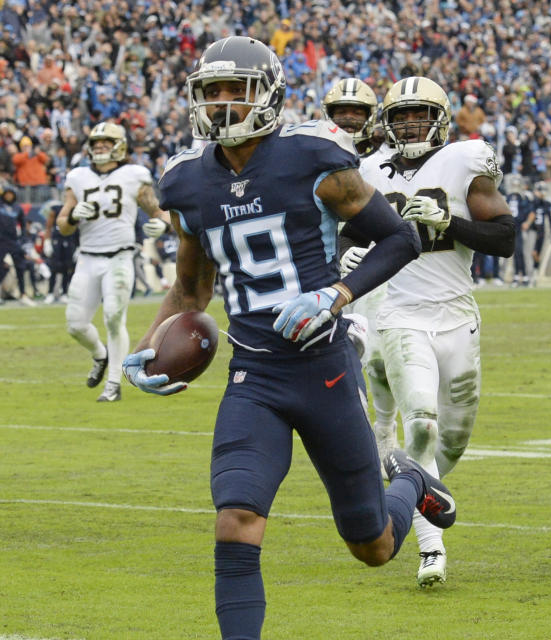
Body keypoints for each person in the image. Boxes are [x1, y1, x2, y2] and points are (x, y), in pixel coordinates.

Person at [120, 38, 454, 640]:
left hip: (323, 367)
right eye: (211, 91)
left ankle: (408, 481)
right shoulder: (186, 183)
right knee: (236, 519)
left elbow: (401, 239)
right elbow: (191, 290)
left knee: (372, 547)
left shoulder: (311, 159)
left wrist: (336, 294)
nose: (221, 104)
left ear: (268, 94)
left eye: (235, 90)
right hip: (254, 376)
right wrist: (148, 344)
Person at [354, 75, 514, 587]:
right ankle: (430, 548)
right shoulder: (369, 170)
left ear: (440, 120)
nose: (409, 123)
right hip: (401, 313)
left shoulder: (465, 160)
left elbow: (505, 238)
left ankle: (408, 488)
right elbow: (348, 232)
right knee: (419, 424)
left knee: (454, 437)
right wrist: (346, 256)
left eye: (419, 114)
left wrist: (450, 224)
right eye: (400, 116)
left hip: (458, 315)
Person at [55, 121, 170, 401]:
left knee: (114, 317)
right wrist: (72, 216)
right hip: (87, 257)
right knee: (75, 324)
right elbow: (62, 225)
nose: (100, 148)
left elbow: (159, 211)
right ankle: (100, 354)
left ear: (119, 147)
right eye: (96, 144)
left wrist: (163, 226)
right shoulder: (79, 177)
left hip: (120, 256)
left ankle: (114, 384)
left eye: (105, 144)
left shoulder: (134, 175)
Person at [324, 77, 401, 463]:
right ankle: (363, 441)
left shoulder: (386, 162)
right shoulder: (315, 157)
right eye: (342, 112)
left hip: (378, 269)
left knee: (377, 357)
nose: (350, 119)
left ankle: (383, 431)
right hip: (326, 270)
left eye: (357, 112)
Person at [528, 181, 551, 286]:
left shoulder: (546, 204)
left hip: (541, 232)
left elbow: (550, 219)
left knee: (536, 254)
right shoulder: (533, 202)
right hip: (532, 230)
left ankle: (534, 274)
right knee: (531, 253)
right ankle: (530, 275)